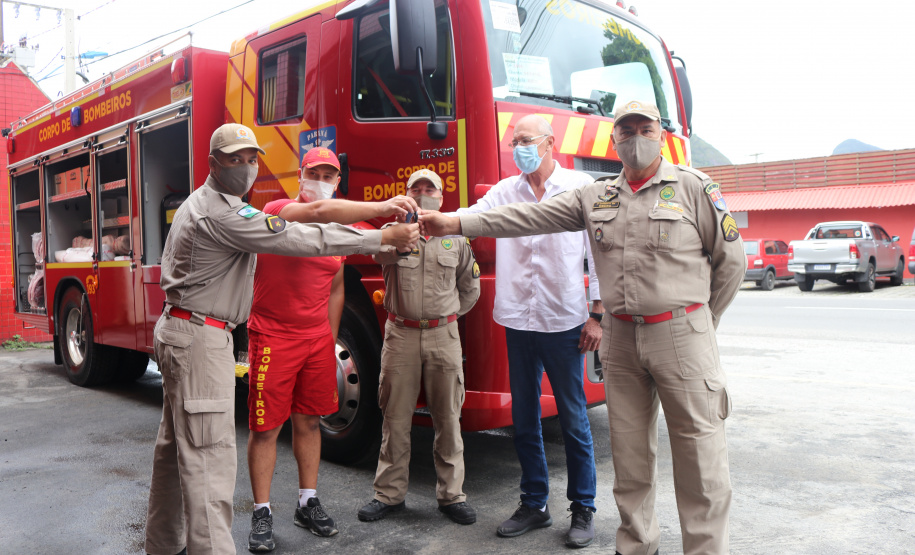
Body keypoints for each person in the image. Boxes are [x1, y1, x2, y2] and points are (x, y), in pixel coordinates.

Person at [420, 101, 746, 555]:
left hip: (678, 334)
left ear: (660, 134)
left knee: (699, 461)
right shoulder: (596, 196)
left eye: (645, 128)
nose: (636, 138)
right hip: (621, 339)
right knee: (630, 460)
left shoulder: (693, 187)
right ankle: (636, 546)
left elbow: (732, 263)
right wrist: (454, 222)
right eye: (626, 130)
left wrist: (702, 323)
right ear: (614, 139)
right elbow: (523, 217)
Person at [144, 124, 419, 555]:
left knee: (175, 447)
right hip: (205, 337)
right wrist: (381, 233)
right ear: (213, 163)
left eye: (251, 158)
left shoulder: (207, 203)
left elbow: (333, 278)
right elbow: (301, 234)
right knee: (210, 460)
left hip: (191, 331)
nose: (245, 167)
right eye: (234, 159)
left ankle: (164, 543)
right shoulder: (228, 213)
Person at [245, 147, 422, 552]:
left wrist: (328, 337)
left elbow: (336, 287)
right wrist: (383, 207)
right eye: (315, 173)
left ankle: (307, 502)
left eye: (329, 175)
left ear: (338, 181)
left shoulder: (338, 237)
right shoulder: (278, 210)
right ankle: (261, 511)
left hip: (315, 341)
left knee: (309, 421)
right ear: (300, 175)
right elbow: (316, 212)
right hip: (273, 336)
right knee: (266, 428)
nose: (321, 181)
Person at [452, 114, 603, 548]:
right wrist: (433, 220)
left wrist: (597, 313)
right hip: (518, 319)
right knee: (524, 418)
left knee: (573, 417)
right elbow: (472, 217)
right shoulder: (506, 190)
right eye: (514, 141)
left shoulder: (578, 187)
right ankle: (534, 503)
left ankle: (583, 507)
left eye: (525, 140)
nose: (518, 148)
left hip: (564, 319)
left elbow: (598, 252)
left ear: (549, 142)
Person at [357, 169, 481, 526]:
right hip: (401, 335)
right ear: (406, 194)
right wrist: (402, 235)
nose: (424, 193)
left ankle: (452, 496)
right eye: (416, 188)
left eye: (431, 189)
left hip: (444, 335)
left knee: (448, 418)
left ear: (441, 198)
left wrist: (446, 317)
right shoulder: (392, 231)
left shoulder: (456, 238)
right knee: (395, 418)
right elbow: (379, 256)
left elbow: (470, 288)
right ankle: (389, 494)